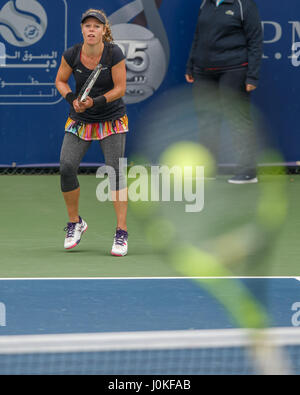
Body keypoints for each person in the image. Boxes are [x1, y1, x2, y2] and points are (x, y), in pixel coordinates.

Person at [55, 9, 129, 256]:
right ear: (82, 30)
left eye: (96, 26)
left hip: (110, 117)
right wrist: (71, 98)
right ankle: (75, 222)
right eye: (87, 25)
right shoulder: (72, 54)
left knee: (115, 171)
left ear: (103, 30)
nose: (91, 30)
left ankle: (121, 232)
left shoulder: (113, 53)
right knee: (66, 166)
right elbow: (60, 81)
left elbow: (120, 88)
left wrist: (95, 102)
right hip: (81, 119)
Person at [185, 0, 263, 184]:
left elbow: (255, 41)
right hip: (203, 71)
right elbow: (198, 36)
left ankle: (248, 171)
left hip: (234, 69)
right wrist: (191, 66)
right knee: (207, 119)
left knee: (237, 117)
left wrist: (252, 76)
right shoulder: (206, 3)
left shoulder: (244, 5)